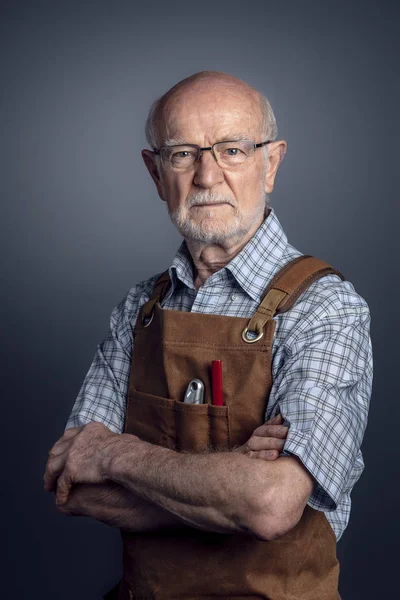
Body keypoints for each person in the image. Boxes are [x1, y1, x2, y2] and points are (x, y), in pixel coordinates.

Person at [44, 71, 372, 600]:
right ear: (155, 173)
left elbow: (270, 505)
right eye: (183, 154)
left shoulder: (325, 308)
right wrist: (230, 484)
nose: (206, 176)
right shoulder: (138, 310)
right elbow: (74, 486)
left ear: (271, 163)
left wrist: (117, 456)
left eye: (233, 150)